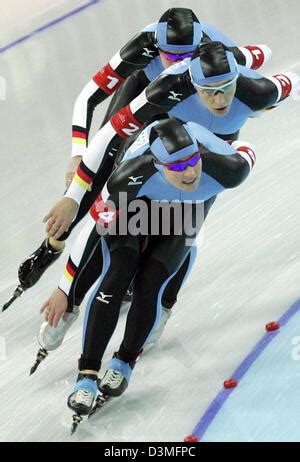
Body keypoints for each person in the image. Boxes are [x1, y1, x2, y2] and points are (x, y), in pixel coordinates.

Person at [36, 41, 299, 350]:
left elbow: (276, 66)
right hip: (159, 153)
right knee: (114, 228)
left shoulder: (258, 91)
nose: (219, 99)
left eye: (226, 88)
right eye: (209, 91)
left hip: (204, 165)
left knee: (182, 237)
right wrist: (74, 194)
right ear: (192, 82)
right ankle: (73, 300)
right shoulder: (168, 86)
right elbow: (110, 133)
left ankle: (162, 306)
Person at [3, 8, 271, 311]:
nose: (178, 64)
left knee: (177, 192)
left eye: (187, 57)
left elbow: (257, 60)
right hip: (148, 90)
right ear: (157, 48)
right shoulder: (143, 46)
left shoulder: (218, 60)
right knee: (107, 168)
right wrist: (77, 157)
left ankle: (144, 268)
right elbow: (88, 98)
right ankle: (53, 244)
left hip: (195, 106)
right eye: (171, 57)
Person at [40, 117, 256, 422]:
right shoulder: (127, 179)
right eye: (178, 166)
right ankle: (86, 374)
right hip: (136, 206)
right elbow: (91, 231)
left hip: (184, 215)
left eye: (193, 160)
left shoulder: (229, 170)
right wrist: (65, 288)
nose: (190, 172)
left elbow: (245, 148)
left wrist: (226, 147)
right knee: (116, 276)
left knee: (150, 283)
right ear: (156, 164)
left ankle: (124, 361)